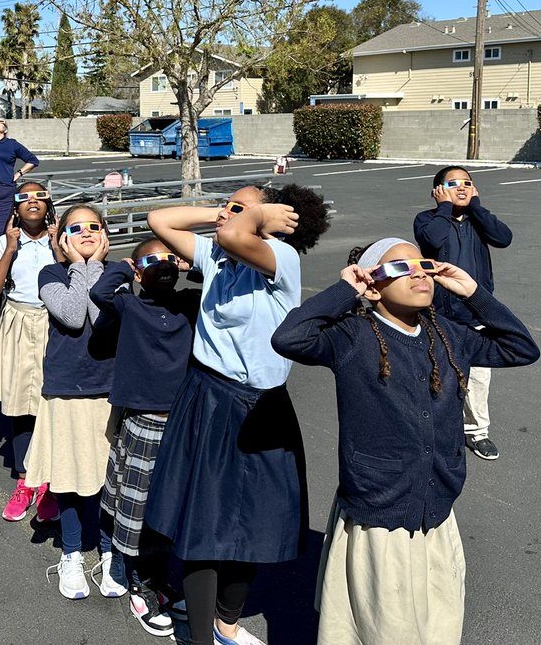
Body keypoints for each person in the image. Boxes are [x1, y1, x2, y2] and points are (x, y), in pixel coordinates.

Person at [271, 238, 540, 645]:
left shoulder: (448, 333)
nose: (418, 272)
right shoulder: (353, 335)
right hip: (380, 509)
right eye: (400, 266)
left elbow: (521, 348)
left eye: (424, 264)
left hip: (436, 506)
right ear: (372, 285)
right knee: (385, 627)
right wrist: (346, 290)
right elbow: (289, 337)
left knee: (438, 621)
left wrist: (473, 293)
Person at [143, 183, 329, 645]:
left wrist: (254, 218)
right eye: (230, 206)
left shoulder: (281, 258)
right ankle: (200, 634)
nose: (229, 214)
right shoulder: (215, 256)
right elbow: (159, 220)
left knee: (254, 521)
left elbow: (235, 237)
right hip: (208, 398)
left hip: (260, 404)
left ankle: (228, 620)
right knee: (202, 522)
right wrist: (230, 211)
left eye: (240, 207)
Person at [90, 237, 200, 637]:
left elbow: (214, 283)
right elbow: (99, 290)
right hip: (144, 419)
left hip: (183, 419)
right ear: (138, 272)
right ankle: (133, 576)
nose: (164, 266)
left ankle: (156, 573)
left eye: (169, 259)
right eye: (153, 262)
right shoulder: (129, 305)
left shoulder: (188, 303)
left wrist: (188, 263)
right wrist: (125, 266)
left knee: (170, 503)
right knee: (135, 503)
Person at [25, 206, 122, 601]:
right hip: (65, 389)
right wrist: (81, 267)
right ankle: (71, 554)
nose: (85, 233)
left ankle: (109, 551)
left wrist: (96, 267)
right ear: (61, 238)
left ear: (105, 234)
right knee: (67, 478)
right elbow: (71, 314)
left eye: (93, 227)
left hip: (108, 389)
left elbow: (100, 318)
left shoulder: (117, 275)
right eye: (75, 228)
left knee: (105, 480)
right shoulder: (50, 274)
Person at [414, 167, 513, 462]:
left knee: (479, 378)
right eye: (453, 184)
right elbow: (432, 240)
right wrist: (445, 207)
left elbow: (503, 237)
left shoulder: (477, 220)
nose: (461, 188)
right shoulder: (427, 219)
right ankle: (440, 430)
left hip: (476, 313)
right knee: (441, 374)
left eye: (467, 183)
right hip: (440, 314)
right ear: (437, 191)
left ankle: (476, 431)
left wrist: (477, 207)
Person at [0, 181, 59, 522]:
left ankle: (50, 483)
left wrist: (59, 246)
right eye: (23, 197)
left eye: (39, 196)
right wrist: (11, 248)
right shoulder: (4, 242)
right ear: (15, 207)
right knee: (20, 407)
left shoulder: (61, 239)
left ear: (48, 205)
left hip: (53, 324)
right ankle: (25, 479)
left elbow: (75, 283)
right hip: (16, 322)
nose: (32, 202)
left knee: (50, 404)